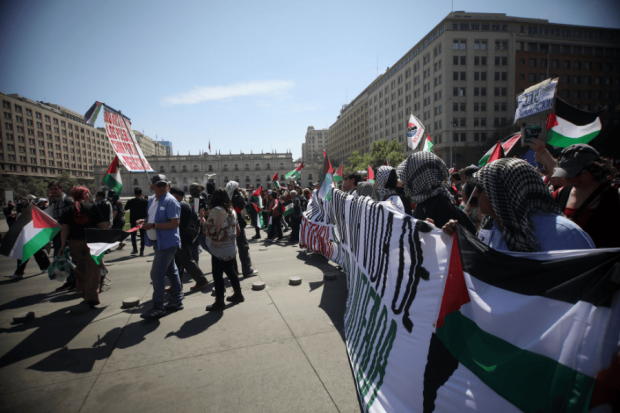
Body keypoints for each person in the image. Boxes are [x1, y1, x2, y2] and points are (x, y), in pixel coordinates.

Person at [442, 158, 595, 252]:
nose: (475, 194)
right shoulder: (491, 226)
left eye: (482, 188)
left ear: (504, 193)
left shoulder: (566, 236)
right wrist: (457, 239)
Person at [551, 144, 620, 248]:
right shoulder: (560, 194)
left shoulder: (615, 196)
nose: (568, 179)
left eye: (574, 173)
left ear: (594, 170)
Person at [136, 175, 184, 320]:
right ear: (152, 187)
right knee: (172, 272)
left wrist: (154, 226)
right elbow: (153, 218)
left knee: (156, 275)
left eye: (164, 185)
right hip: (159, 242)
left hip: (168, 243)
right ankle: (176, 301)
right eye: (159, 185)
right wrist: (144, 221)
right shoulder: (152, 200)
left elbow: (175, 223)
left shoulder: (170, 201)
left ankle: (158, 307)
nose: (163, 187)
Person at [396, 152, 476, 233]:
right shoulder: (424, 200)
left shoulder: (441, 205)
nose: (406, 182)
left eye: (410, 176)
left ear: (420, 177)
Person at [59, 186, 108, 311]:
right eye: (87, 193)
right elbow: (102, 225)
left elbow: (64, 229)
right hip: (92, 243)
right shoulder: (92, 207)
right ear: (84, 194)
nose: (89, 195)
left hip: (74, 243)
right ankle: (91, 297)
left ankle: (83, 291)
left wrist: (62, 245)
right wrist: (108, 238)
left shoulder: (68, 209)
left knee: (80, 268)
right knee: (93, 270)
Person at [200, 188, 244, 311]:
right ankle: (238, 293)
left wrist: (202, 218)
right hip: (230, 246)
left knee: (217, 274)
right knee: (231, 271)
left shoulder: (215, 211)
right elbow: (238, 230)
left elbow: (208, 230)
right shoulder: (231, 210)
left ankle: (219, 301)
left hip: (219, 248)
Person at [169, 187, 209, 291]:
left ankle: (201, 280)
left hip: (182, 238)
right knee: (178, 263)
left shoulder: (180, 205)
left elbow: (178, 223)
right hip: (182, 237)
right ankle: (177, 285)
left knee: (187, 261)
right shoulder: (183, 204)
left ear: (175, 196)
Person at [226, 181, 259, 278]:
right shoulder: (237, 197)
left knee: (232, 249)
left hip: (230, 224)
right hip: (238, 225)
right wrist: (245, 195)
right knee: (243, 247)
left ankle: (234, 270)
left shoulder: (228, 197)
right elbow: (247, 205)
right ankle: (247, 270)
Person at [125, 187, 148, 256]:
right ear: (141, 193)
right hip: (142, 220)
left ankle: (135, 249)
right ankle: (142, 250)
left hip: (133, 220)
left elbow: (126, 208)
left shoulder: (130, 201)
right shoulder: (145, 201)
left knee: (133, 235)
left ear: (134, 194)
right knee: (143, 236)